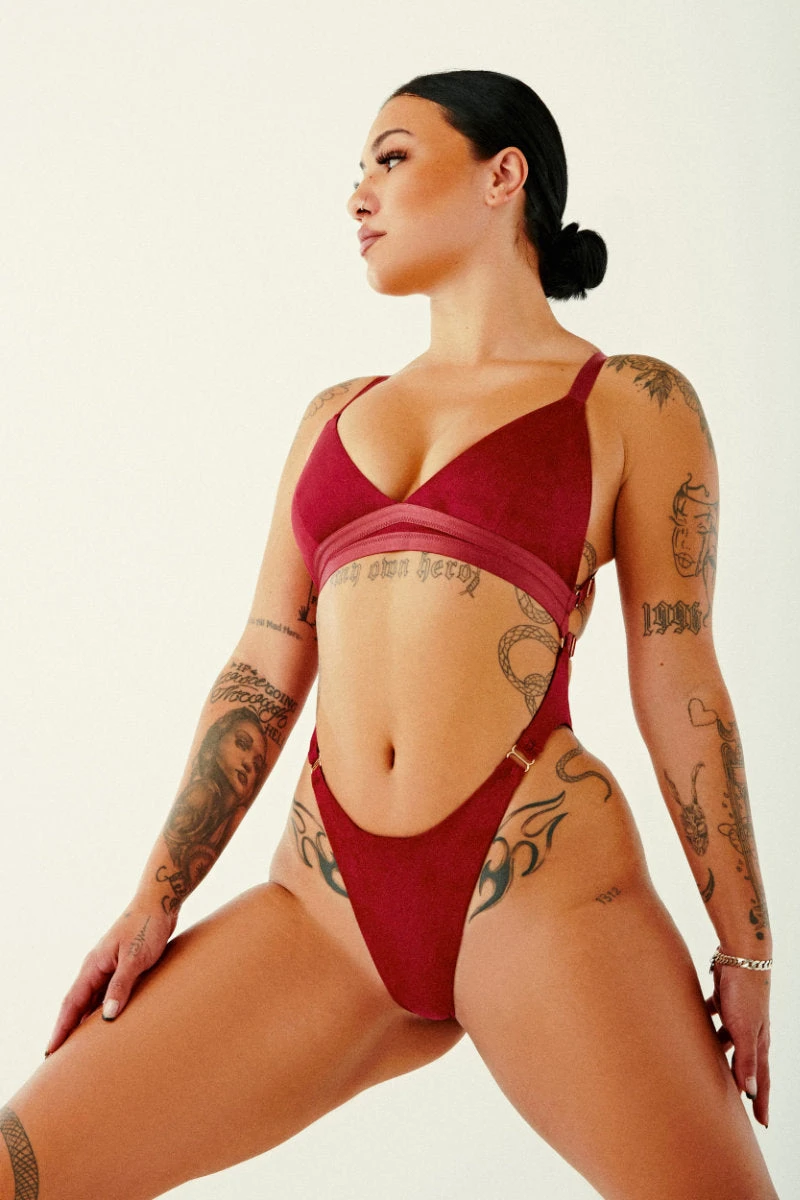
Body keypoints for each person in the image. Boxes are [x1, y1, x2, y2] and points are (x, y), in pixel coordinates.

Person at [0, 68, 777, 1200]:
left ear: (503, 176)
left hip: (540, 896)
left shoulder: (630, 402)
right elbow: (262, 668)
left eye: (393, 157)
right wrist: (155, 896)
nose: (358, 192)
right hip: (323, 912)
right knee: (22, 1169)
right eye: (357, 169)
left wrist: (744, 946)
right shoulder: (335, 416)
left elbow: (680, 681)